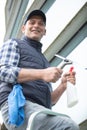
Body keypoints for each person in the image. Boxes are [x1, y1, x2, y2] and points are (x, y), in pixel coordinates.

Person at [0, 10, 79, 130]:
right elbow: (4, 71)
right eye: (32, 22)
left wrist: (63, 86)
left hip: (41, 109)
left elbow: (50, 101)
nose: (36, 25)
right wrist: (42, 74)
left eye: (41, 24)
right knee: (67, 126)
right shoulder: (13, 43)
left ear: (44, 31)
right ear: (23, 28)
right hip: (17, 105)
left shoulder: (44, 61)